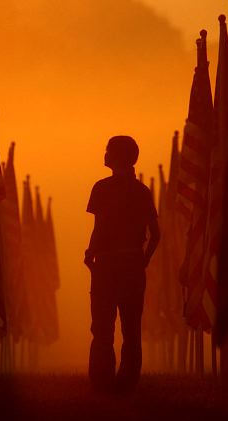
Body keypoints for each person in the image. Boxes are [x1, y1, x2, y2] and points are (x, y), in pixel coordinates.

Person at [84, 135, 160, 393]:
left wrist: (91, 253)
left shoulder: (101, 188)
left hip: (107, 265)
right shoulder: (142, 191)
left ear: (117, 157)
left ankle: (102, 381)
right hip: (131, 265)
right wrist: (143, 260)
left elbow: (99, 227)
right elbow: (155, 234)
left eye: (108, 150)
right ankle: (127, 383)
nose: (104, 154)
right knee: (131, 328)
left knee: (103, 327)